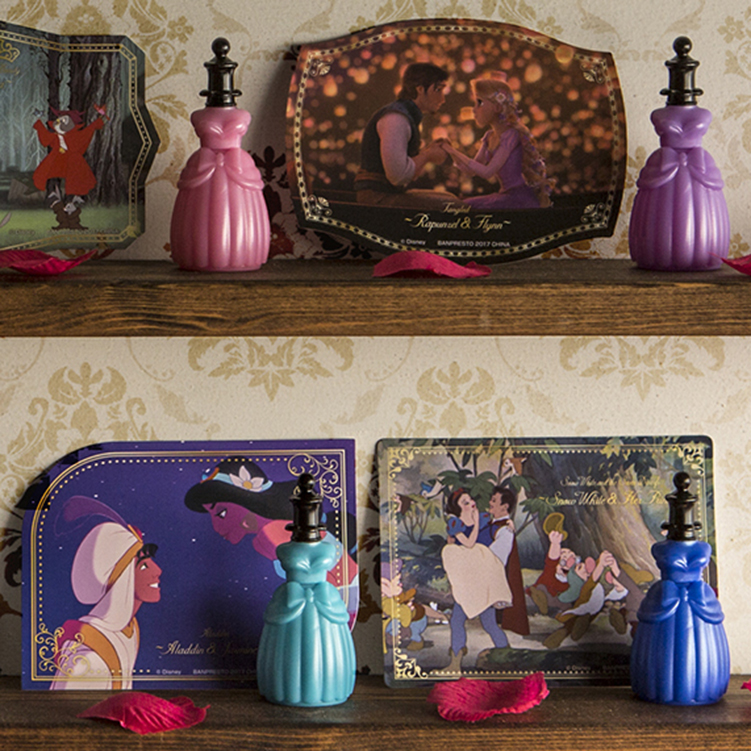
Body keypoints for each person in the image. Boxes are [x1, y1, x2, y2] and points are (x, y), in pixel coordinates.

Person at [184, 458, 358, 623]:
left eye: (221, 513)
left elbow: (321, 587)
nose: (216, 527)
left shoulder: (272, 534)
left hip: (326, 611)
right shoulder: (270, 536)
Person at [51, 520, 161, 690]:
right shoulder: (88, 658)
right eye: (144, 565)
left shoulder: (130, 628)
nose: (158, 571)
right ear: (123, 578)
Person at [355, 62, 462, 208]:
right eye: (438, 90)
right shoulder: (396, 118)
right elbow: (398, 176)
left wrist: (428, 152)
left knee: (450, 198)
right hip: (377, 198)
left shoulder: (405, 116)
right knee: (453, 206)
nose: (442, 99)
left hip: (387, 194)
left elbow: (405, 172)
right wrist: (427, 155)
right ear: (420, 89)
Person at [439, 76, 552, 209]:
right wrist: (451, 152)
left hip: (518, 198)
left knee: (466, 207)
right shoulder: (489, 136)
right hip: (504, 195)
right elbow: (471, 170)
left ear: (497, 107)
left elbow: (487, 172)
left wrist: (452, 151)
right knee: (461, 204)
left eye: (479, 103)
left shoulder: (511, 135)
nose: (474, 109)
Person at [437, 489, 512, 673]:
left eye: (470, 499)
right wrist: (475, 523)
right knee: (457, 620)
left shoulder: (485, 518)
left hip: (483, 578)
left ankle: (507, 657)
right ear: (458, 508)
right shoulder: (456, 524)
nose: (471, 502)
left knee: (489, 623)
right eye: (465, 502)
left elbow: (497, 527)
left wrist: (509, 524)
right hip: (467, 581)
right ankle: (455, 663)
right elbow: (468, 543)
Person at [487, 486, 529, 636]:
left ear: (504, 507)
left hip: (497, 573)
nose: (490, 503)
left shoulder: (505, 530)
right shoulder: (492, 524)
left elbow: (497, 558)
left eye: (494, 500)